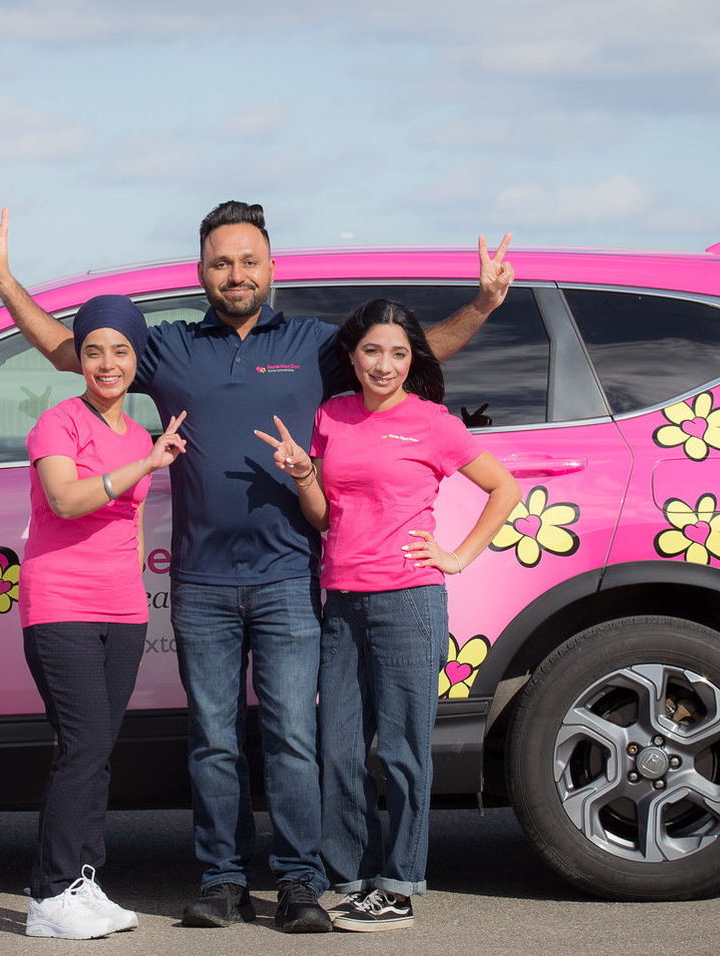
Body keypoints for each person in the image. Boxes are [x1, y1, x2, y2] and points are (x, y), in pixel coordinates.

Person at [0, 202, 513, 933]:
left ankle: (297, 881)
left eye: (248, 260)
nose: (235, 273)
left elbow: (410, 354)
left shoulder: (314, 344)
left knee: (294, 736)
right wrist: (5, 280)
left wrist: (480, 304)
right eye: (221, 262)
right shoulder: (165, 350)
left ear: (269, 266)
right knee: (214, 740)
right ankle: (222, 878)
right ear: (202, 271)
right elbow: (72, 353)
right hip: (198, 581)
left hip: (290, 578)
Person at [255, 298, 521, 932]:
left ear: (412, 361)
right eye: (372, 351)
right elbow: (324, 517)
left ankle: (399, 887)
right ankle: (352, 877)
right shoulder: (331, 417)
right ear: (352, 356)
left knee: (401, 749)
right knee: (339, 747)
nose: (384, 364)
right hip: (342, 599)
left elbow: (504, 488)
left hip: (408, 599)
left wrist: (456, 556)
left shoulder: (432, 423)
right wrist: (302, 474)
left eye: (399, 353)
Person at [18, 294, 188, 939]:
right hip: (60, 604)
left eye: (120, 351)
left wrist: (136, 589)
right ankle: (48, 895)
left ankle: (83, 881)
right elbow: (64, 500)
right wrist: (142, 466)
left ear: (135, 358)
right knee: (82, 746)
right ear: (79, 360)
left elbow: (134, 521)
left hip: (120, 608)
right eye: (93, 351)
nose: (107, 363)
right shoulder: (58, 424)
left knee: (99, 751)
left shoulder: (139, 432)